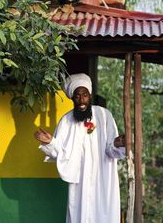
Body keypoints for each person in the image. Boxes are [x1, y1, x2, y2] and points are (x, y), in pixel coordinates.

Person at [34, 73, 126, 223]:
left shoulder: (104, 116)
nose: (81, 99)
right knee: (79, 215)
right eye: (77, 96)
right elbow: (61, 153)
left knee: (104, 214)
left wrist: (118, 143)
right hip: (80, 184)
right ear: (72, 98)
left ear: (90, 95)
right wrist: (50, 142)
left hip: (103, 180)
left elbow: (111, 149)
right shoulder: (66, 121)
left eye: (84, 95)